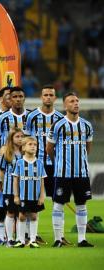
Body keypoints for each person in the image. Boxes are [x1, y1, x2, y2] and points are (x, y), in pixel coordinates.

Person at [47, 92, 94, 248]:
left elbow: (88, 147)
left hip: (81, 173)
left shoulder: (86, 125)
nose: (76, 103)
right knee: (58, 204)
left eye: (77, 100)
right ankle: (58, 239)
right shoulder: (58, 125)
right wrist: (59, 162)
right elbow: (49, 148)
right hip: (62, 173)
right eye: (72, 101)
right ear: (65, 106)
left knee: (81, 204)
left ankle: (82, 239)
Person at [25, 86, 64, 198]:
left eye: (51, 95)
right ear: (41, 97)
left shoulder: (60, 118)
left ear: (55, 98)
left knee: (56, 198)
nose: (48, 97)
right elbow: (26, 140)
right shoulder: (31, 116)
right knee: (33, 199)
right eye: (45, 95)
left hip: (54, 164)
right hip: (35, 163)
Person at [12, 136, 46, 248]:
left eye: (35, 145)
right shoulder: (19, 163)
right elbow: (15, 180)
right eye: (30, 144)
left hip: (35, 196)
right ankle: (21, 240)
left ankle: (33, 240)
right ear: (23, 148)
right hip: (23, 196)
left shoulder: (40, 163)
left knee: (34, 216)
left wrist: (42, 196)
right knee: (21, 216)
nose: (33, 147)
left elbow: (42, 181)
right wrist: (16, 195)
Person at [0, 128, 23, 247]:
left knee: (20, 214)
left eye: (21, 136)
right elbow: (1, 170)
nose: (20, 139)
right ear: (11, 139)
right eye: (17, 136)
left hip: (23, 188)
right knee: (10, 212)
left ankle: (19, 238)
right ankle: (10, 239)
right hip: (9, 188)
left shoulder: (25, 152)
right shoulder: (7, 153)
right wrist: (0, 183)